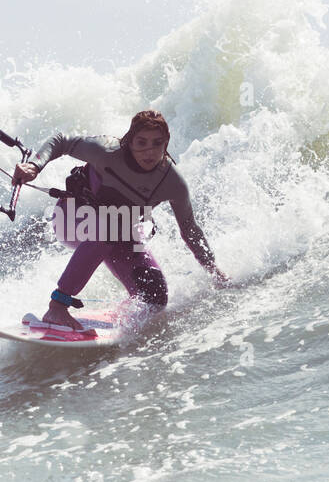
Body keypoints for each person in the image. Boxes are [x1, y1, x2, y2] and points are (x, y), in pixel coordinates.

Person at [12, 110, 227, 331]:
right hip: (71, 220)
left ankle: (121, 314)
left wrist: (214, 271)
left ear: (166, 143)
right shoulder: (107, 151)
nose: (149, 151)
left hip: (116, 234)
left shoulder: (172, 182)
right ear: (129, 141)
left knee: (155, 297)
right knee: (113, 227)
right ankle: (57, 307)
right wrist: (35, 166)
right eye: (141, 142)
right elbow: (61, 141)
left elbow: (190, 229)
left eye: (157, 143)